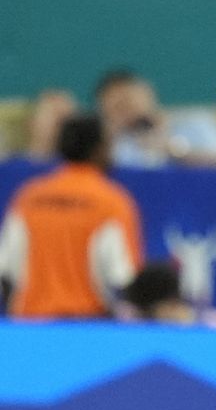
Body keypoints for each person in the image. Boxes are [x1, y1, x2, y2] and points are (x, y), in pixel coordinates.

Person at [0, 114, 144, 319]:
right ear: (99, 149)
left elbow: (4, 270)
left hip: (28, 325)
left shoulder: (28, 197)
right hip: (88, 327)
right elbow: (123, 277)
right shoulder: (111, 202)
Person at [96, 70, 216, 168]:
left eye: (128, 100)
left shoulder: (196, 123)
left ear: (147, 92)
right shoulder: (116, 146)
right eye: (116, 107)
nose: (126, 110)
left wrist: (174, 151)